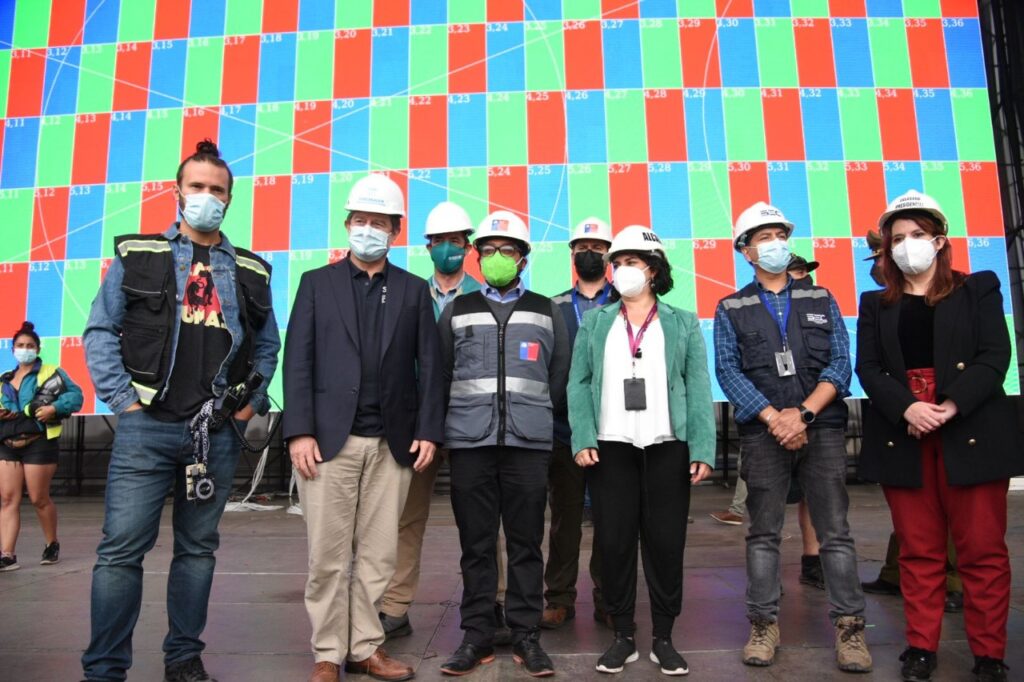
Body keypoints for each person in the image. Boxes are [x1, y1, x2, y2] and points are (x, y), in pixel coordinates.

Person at [82, 140, 281, 682]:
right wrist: (125, 405)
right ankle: (104, 671)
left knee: (197, 552)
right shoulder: (138, 254)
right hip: (145, 429)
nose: (206, 197)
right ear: (177, 192)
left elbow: (267, 346)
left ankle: (183, 659)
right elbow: (99, 330)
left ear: (230, 199)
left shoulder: (251, 269)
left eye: (217, 190)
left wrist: (247, 409)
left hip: (213, 435)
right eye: (197, 187)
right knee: (121, 552)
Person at [855, 190, 1022, 682]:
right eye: (897, 239)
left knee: (983, 551)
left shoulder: (978, 289)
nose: (907, 245)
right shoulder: (875, 303)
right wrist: (907, 406)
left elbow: (995, 355)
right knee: (918, 550)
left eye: (917, 235)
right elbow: (869, 367)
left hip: (970, 429)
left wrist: (949, 405)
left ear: (940, 240)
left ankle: (989, 653)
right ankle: (920, 648)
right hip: (905, 433)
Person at [284, 173, 444, 682]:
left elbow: (430, 367)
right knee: (327, 557)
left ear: (395, 230)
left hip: (392, 444)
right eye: (360, 220)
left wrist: (428, 430)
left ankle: (366, 648)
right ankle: (328, 653)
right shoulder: (316, 284)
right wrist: (299, 431)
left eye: (379, 222)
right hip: (328, 443)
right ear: (347, 224)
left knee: (378, 556)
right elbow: (298, 361)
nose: (368, 229)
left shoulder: (414, 291)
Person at [713, 202, 872, 673]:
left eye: (779, 234)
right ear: (746, 251)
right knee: (762, 534)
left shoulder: (821, 298)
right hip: (763, 435)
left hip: (821, 428)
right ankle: (763, 625)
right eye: (763, 237)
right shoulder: (731, 307)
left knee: (835, 533)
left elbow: (840, 364)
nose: (774, 243)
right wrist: (775, 419)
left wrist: (802, 415)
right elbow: (728, 371)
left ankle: (850, 629)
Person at [568, 226, 715, 676]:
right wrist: (582, 437)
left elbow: (697, 385)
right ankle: (623, 636)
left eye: (631, 262)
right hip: (610, 449)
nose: (622, 270)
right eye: (618, 263)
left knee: (666, 545)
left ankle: (664, 638)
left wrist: (703, 447)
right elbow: (579, 382)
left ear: (652, 270)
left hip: (667, 447)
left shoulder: (682, 321)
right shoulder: (595, 322)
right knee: (613, 545)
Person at [437, 210, 570, 677]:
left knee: (525, 543)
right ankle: (476, 635)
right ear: (477, 257)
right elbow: (442, 373)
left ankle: (526, 635)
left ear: (523, 258)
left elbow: (559, 375)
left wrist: (533, 417)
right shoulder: (457, 310)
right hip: (470, 443)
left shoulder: (547, 310)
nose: (496, 256)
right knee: (475, 545)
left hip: (527, 444)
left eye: (506, 250)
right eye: (488, 250)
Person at [378, 200, 491, 641]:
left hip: (471, 422)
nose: (448, 248)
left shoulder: (485, 296)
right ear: (427, 247)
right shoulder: (408, 295)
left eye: (456, 241)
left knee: (482, 520)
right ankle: (394, 607)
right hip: (417, 424)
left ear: (468, 247)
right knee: (406, 519)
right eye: (440, 241)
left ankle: (494, 602)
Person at [543, 217, 614, 630]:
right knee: (564, 520)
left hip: (614, 430)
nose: (589, 253)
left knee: (610, 520)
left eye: (597, 247)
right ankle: (559, 598)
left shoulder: (626, 301)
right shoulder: (552, 306)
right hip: (564, 431)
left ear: (609, 255)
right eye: (582, 247)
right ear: (572, 254)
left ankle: (608, 598)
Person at [0, 321, 83, 572]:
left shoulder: (51, 372)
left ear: (37, 348)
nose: (24, 349)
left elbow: (76, 396)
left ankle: (51, 543)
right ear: (13, 349)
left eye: (29, 345)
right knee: (8, 499)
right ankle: (7, 555)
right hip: (7, 442)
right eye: (20, 345)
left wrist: (54, 408)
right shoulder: (5, 379)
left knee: (38, 498)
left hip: (39, 441)